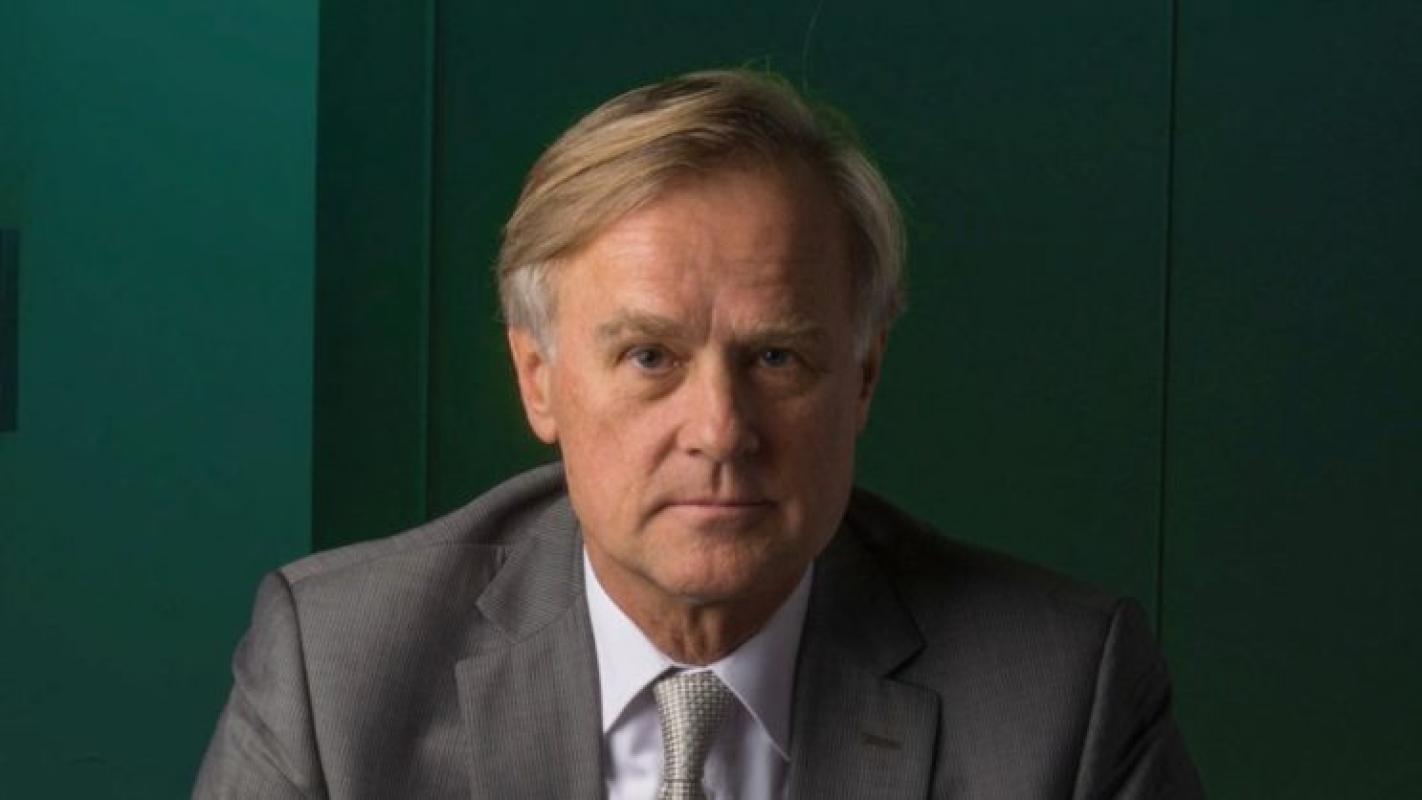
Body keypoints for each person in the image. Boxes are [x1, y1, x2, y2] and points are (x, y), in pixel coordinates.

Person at [194, 69, 1203, 799]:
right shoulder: (338, 672)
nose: (720, 431)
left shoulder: (1061, 700)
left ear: (862, 377)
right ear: (539, 379)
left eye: (777, 358)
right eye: (649, 356)